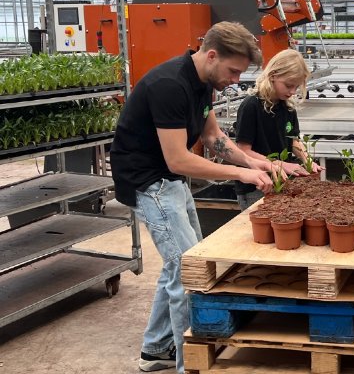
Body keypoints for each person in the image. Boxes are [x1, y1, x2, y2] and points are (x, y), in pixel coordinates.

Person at [110, 21, 276, 374]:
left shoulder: (203, 82)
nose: (235, 79)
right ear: (212, 55)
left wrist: (258, 162)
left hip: (170, 180)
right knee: (190, 271)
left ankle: (155, 350)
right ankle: (192, 366)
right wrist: (242, 173)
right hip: (149, 182)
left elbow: (214, 137)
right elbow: (179, 158)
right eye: (233, 71)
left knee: (181, 264)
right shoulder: (170, 85)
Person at [234, 48, 323, 210]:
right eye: (289, 85)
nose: (292, 92)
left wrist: (308, 161)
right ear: (273, 76)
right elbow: (243, 151)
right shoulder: (251, 105)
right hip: (256, 185)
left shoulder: (287, 107)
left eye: (296, 87)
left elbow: (293, 141)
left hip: (280, 180)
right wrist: (279, 164)